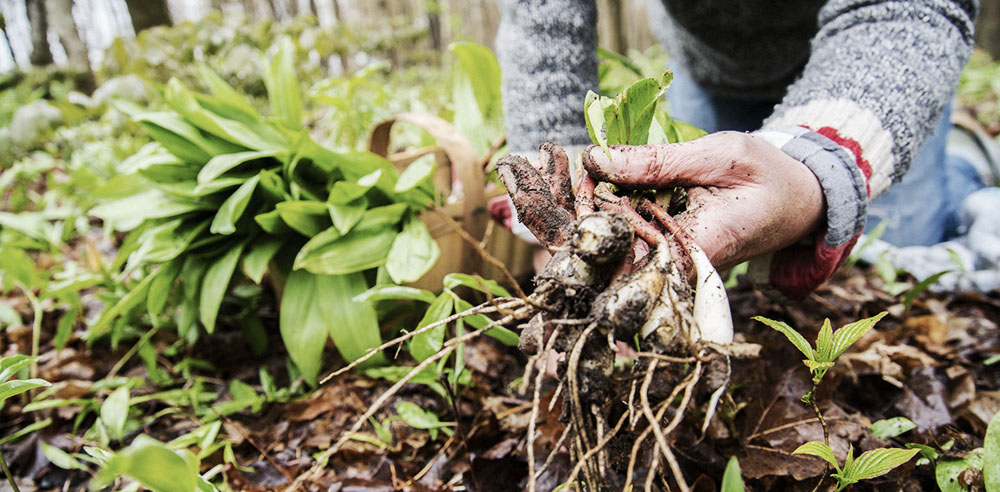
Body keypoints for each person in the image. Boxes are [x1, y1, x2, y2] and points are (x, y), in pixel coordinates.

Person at [493, 0, 998, 300]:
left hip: (871, 58)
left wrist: (818, 160)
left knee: (892, 249)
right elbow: (542, 15)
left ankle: (964, 164)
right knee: (714, 243)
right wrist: (560, 203)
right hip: (710, 67)